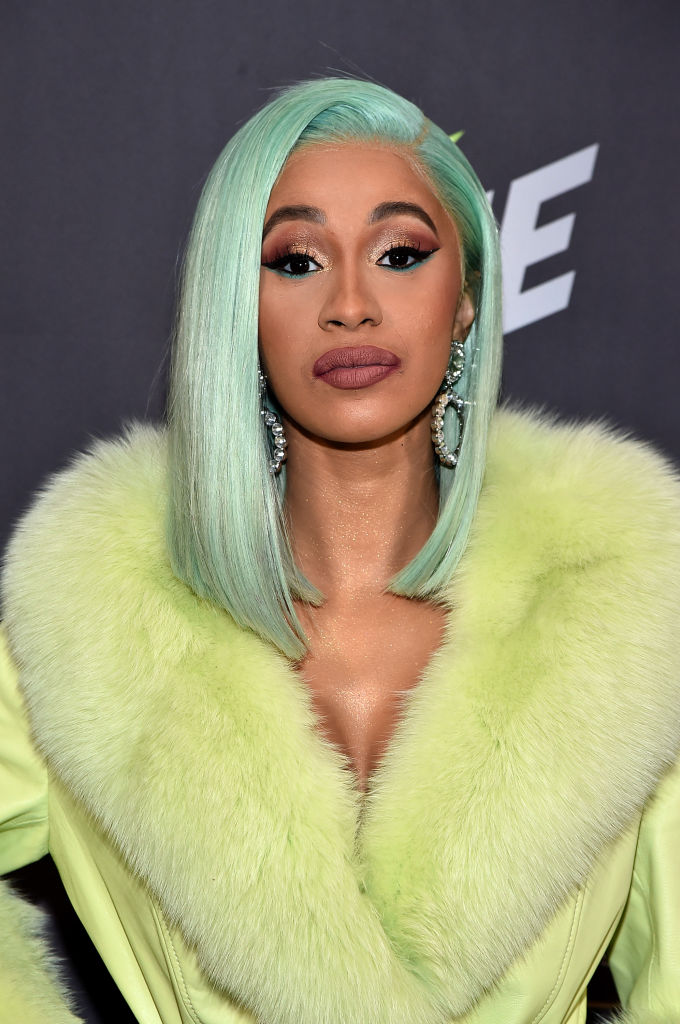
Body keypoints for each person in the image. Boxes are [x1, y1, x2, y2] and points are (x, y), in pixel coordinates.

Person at [1, 77, 679, 1024]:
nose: (351, 304)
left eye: (401, 253)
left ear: (467, 303)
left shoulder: (633, 607)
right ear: (236, 307)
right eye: (296, 261)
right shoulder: (90, 612)